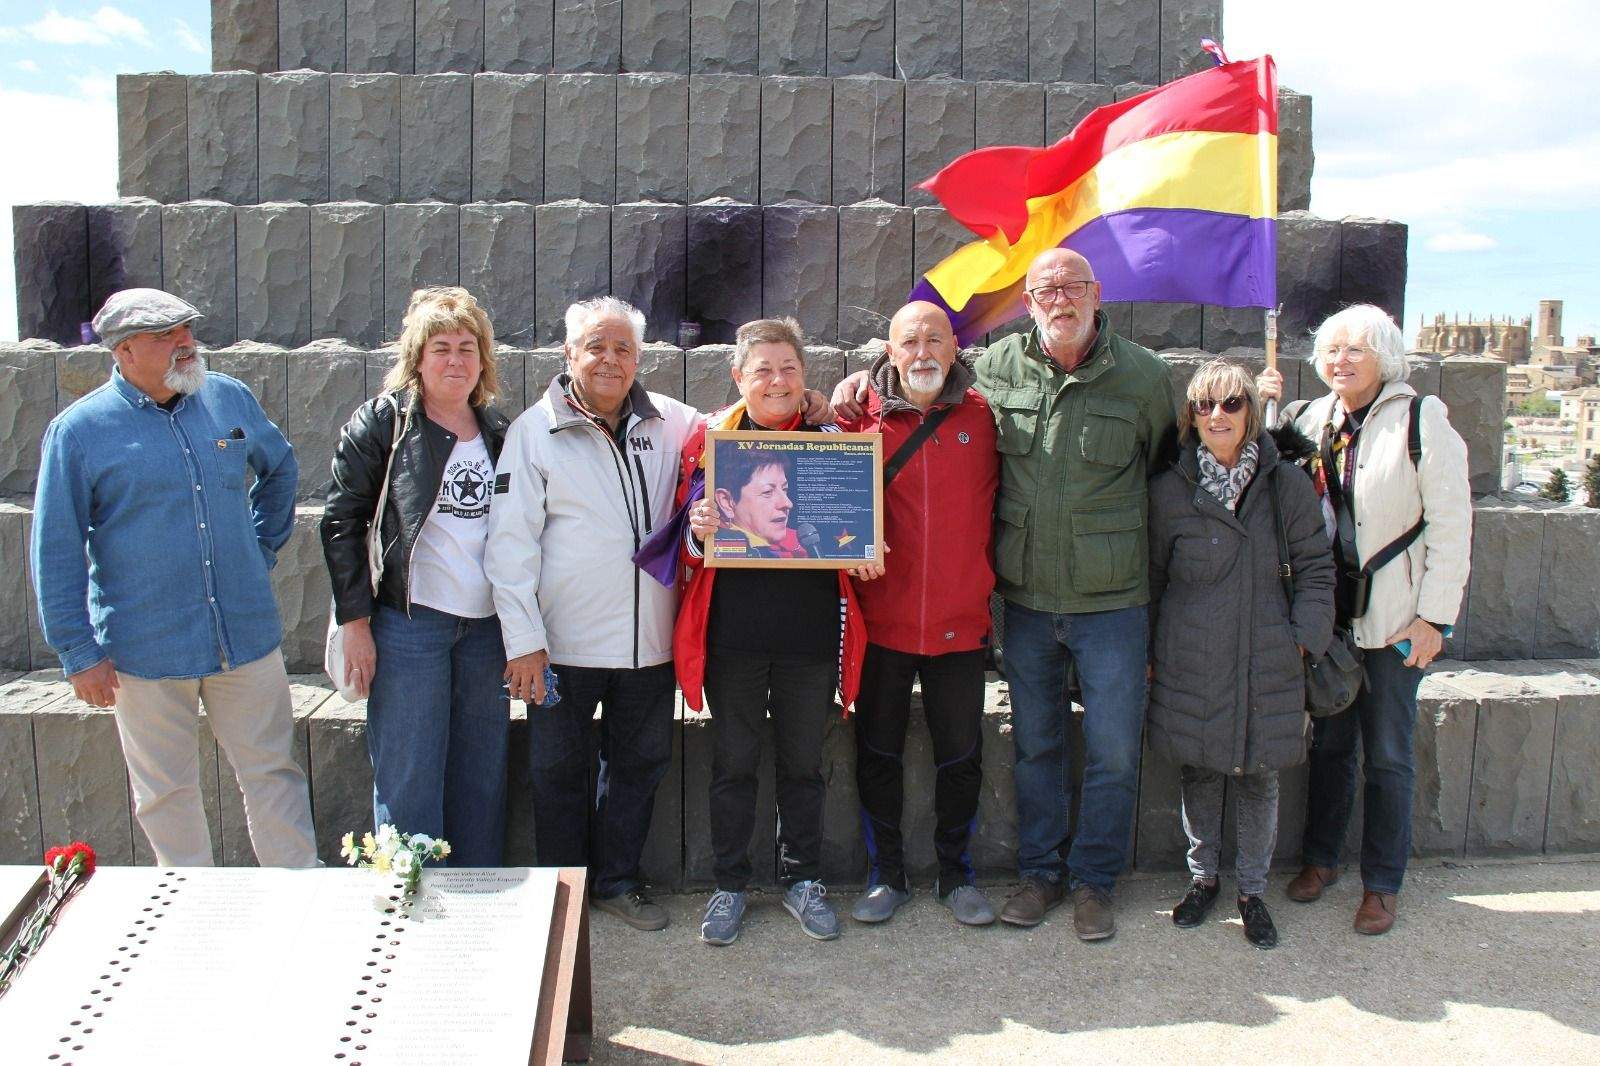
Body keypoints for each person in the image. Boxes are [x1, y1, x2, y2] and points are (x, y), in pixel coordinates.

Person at [834, 248, 1177, 940]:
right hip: (1019, 603)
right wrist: (841, 386)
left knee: (1111, 751)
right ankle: (1035, 873)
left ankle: (1093, 884)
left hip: (1106, 602)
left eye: (1072, 287)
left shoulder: (1144, 378)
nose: (1060, 300)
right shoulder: (981, 377)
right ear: (1027, 300)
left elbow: (1167, 479)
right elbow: (879, 409)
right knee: (1036, 747)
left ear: (1095, 293)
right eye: (1046, 289)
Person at [31, 288, 317, 868]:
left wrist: (258, 547)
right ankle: (191, 923)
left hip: (245, 635)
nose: (184, 343)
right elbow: (55, 549)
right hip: (144, 650)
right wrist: (78, 652)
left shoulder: (229, 399)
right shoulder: (78, 433)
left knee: (273, 774)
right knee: (167, 795)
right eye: (164, 335)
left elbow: (280, 469)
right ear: (123, 350)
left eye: (186, 329)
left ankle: (297, 901)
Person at [484, 296, 698, 931]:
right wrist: (524, 642)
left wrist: (831, 403)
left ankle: (618, 881)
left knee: (639, 768)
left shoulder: (673, 421)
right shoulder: (533, 431)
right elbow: (510, 544)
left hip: (647, 646)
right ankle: (563, 891)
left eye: (623, 349)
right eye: (596, 348)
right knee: (557, 773)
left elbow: (744, 422)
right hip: (561, 648)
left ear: (639, 358)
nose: (610, 360)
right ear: (569, 354)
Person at [1258, 304, 1472, 935]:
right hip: (1331, 615)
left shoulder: (1420, 419)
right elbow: (1272, 486)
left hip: (1396, 618)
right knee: (1329, 744)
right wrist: (1265, 408)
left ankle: (1382, 883)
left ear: (1386, 356)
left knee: (1388, 753)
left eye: (1356, 349)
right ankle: (1321, 859)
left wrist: (1434, 619)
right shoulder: (1309, 416)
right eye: (1331, 349)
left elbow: (1452, 524)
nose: (1341, 360)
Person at [676, 317, 871, 946]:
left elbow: (853, 525)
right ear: (738, 377)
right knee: (732, 764)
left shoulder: (832, 439)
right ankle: (730, 883)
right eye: (762, 369)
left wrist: (865, 549)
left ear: (804, 376)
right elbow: (681, 540)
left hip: (809, 638)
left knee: (804, 766)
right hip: (733, 637)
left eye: (788, 368)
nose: (777, 380)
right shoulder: (710, 443)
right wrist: (696, 526)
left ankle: (801, 878)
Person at [1147, 360, 1335, 949]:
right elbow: (1151, 577)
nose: (1218, 415)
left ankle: (1253, 890)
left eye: (1231, 403)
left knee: (1259, 776)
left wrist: (1303, 638)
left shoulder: (1287, 485)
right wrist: (1152, 649)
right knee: (1199, 769)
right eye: (1205, 406)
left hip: (1267, 653)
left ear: (1251, 411)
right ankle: (1204, 880)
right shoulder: (1170, 489)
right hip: (1191, 654)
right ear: (1191, 417)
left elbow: (1315, 569)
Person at [321, 287, 512, 867]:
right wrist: (357, 623)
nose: (455, 360)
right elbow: (341, 522)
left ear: (483, 359)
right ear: (418, 358)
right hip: (409, 625)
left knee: (482, 774)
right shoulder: (384, 423)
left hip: (486, 631)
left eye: (467, 348)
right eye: (441, 348)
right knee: (409, 775)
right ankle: (413, 900)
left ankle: (477, 897)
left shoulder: (500, 429)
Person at [833, 301, 1001, 928]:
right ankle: (887, 873)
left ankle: (956, 873)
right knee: (878, 751)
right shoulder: (854, 419)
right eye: (911, 341)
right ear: (889, 350)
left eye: (936, 340)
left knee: (961, 754)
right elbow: (826, 506)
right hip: (884, 623)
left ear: (956, 350)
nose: (924, 353)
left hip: (961, 621)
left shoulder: (986, 417)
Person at [709, 450, 807, 558]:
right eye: (767, 492)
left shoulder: (802, 542)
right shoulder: (713, 543)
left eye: (785, 489)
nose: (788, 503)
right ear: (727, 502)